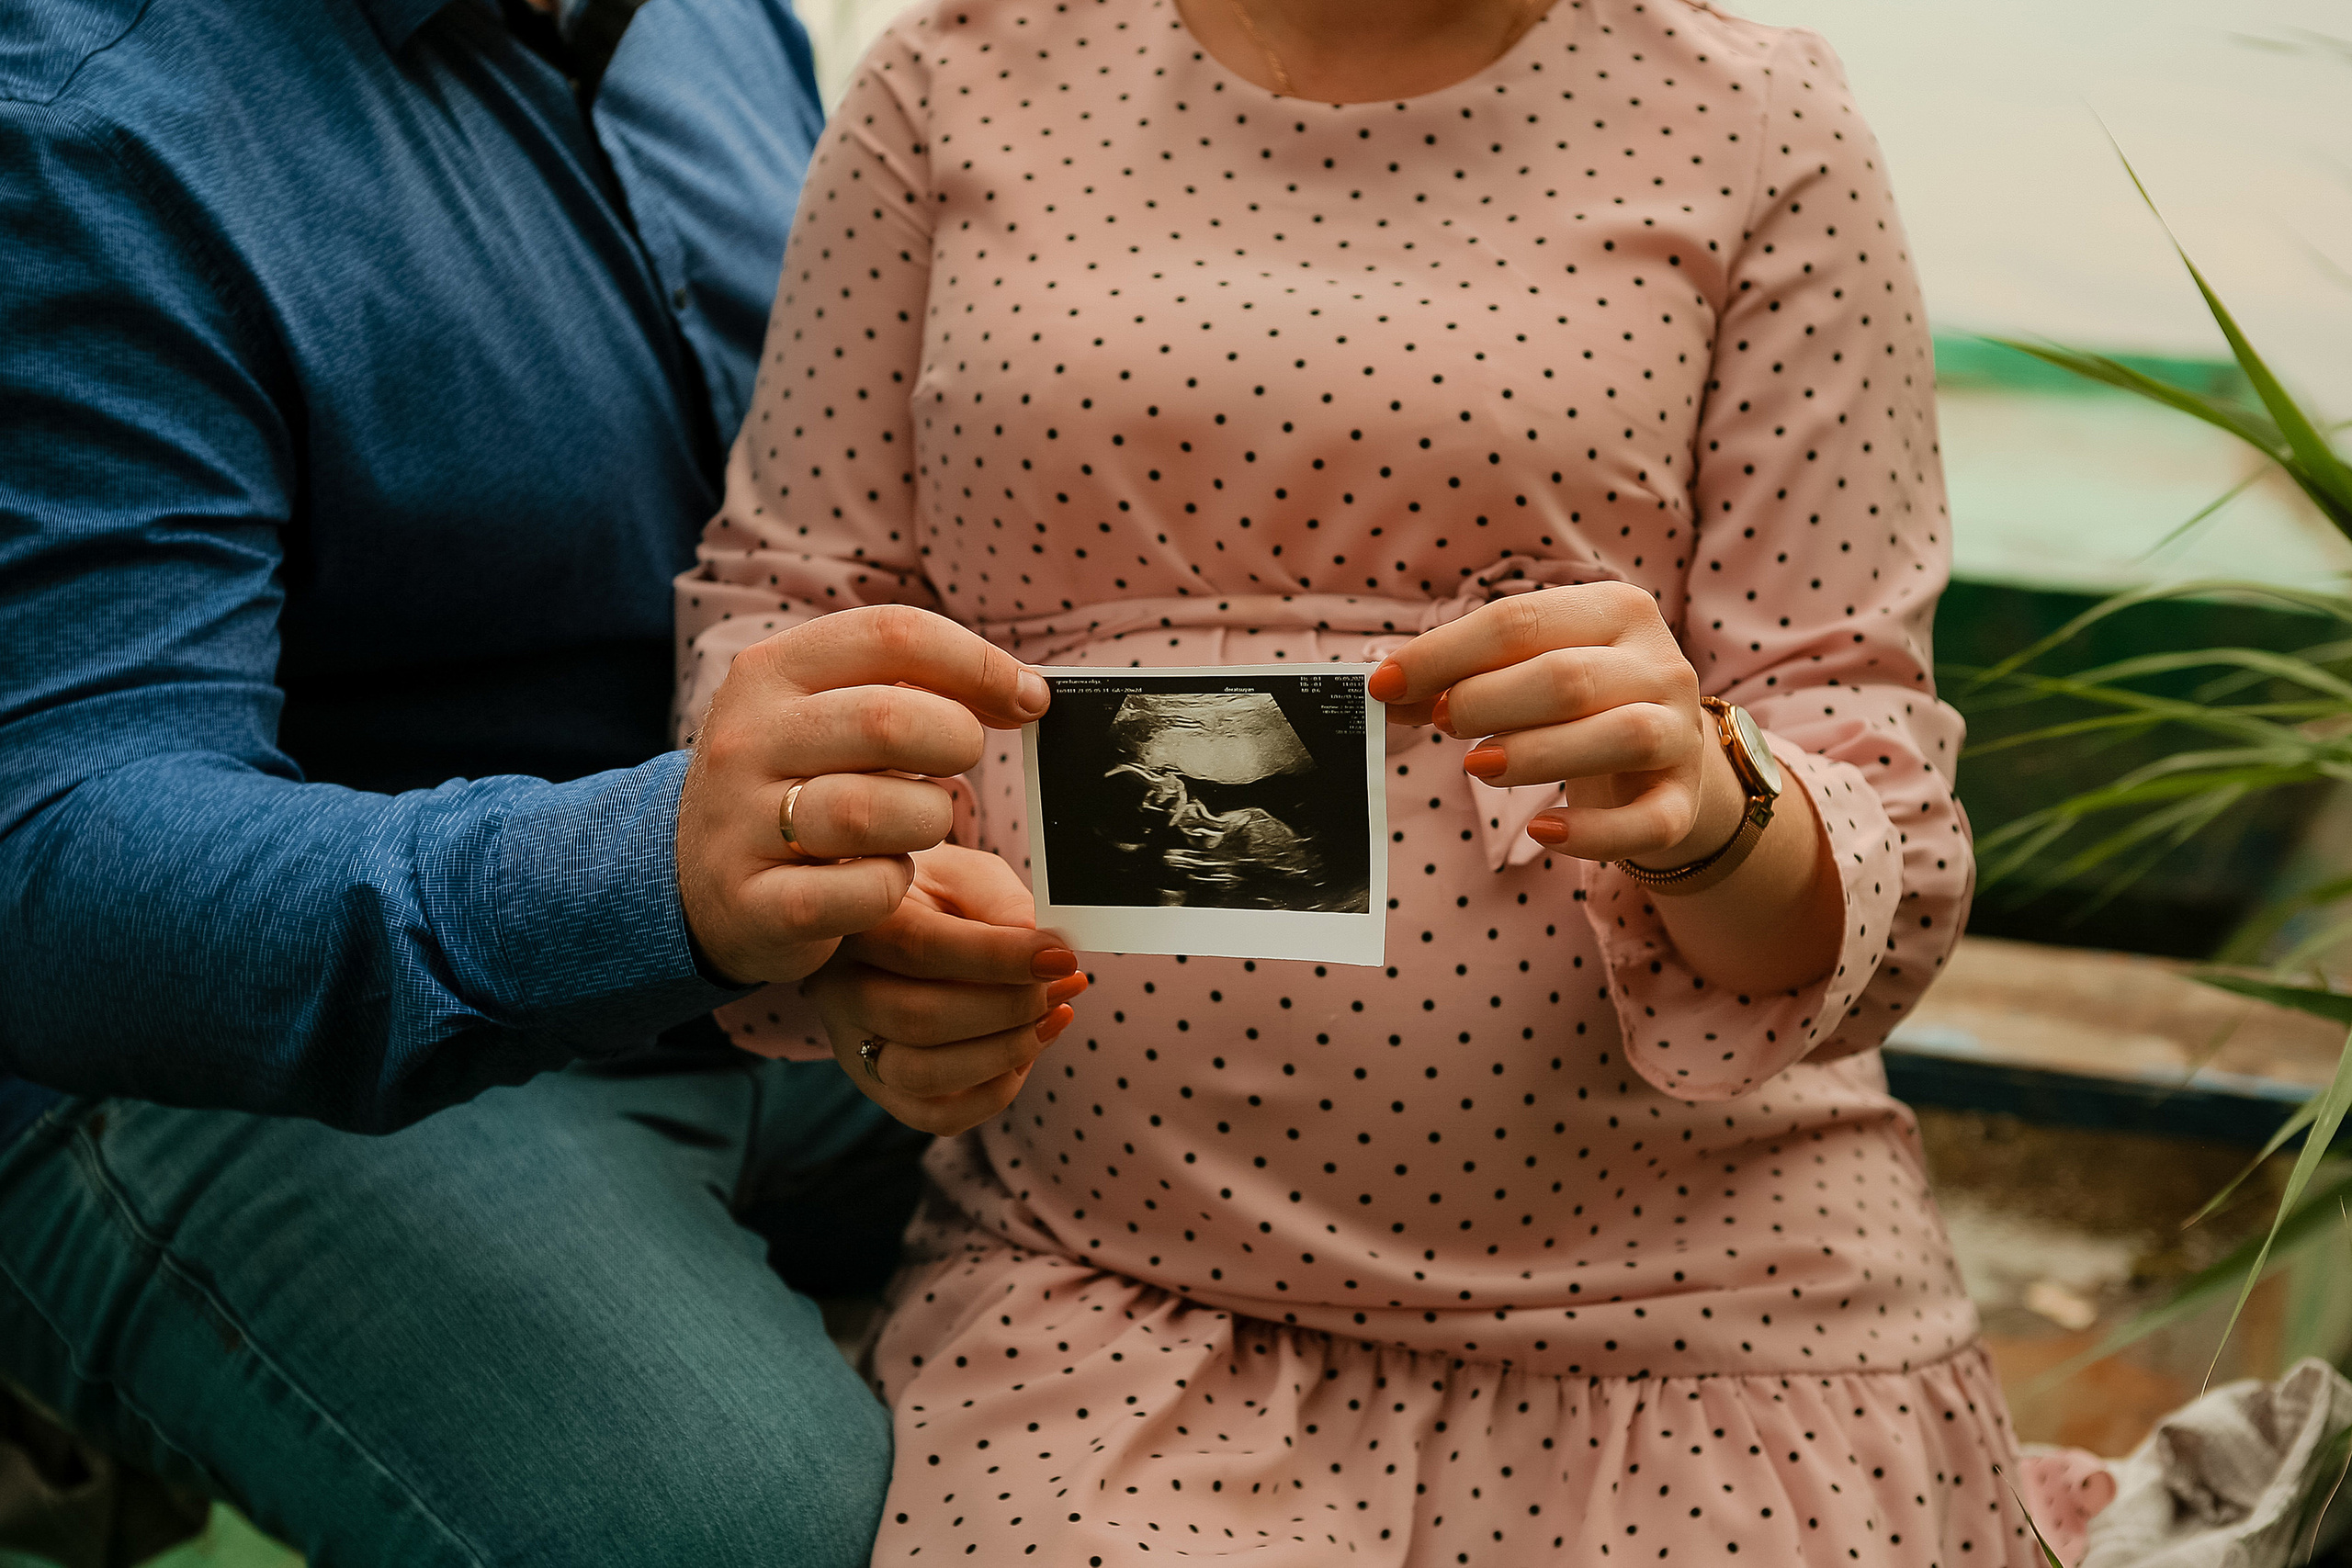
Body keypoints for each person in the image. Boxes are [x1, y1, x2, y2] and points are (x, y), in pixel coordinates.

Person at [674, 0, 2040, 1561]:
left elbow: (1862, 782)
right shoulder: (956, 76)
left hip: (1710, 1318)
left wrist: (1717, 813)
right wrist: (871, 922)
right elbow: (792, 615)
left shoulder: (1758, 118)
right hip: (1109, 1291)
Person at [0, 0, 1073, 1560]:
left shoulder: (716, 26)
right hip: (210, 1067)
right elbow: (58, 851)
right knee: (746, 1524)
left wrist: (863, 890)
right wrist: (651, 877)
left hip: (744, 969)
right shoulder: (77, 121)